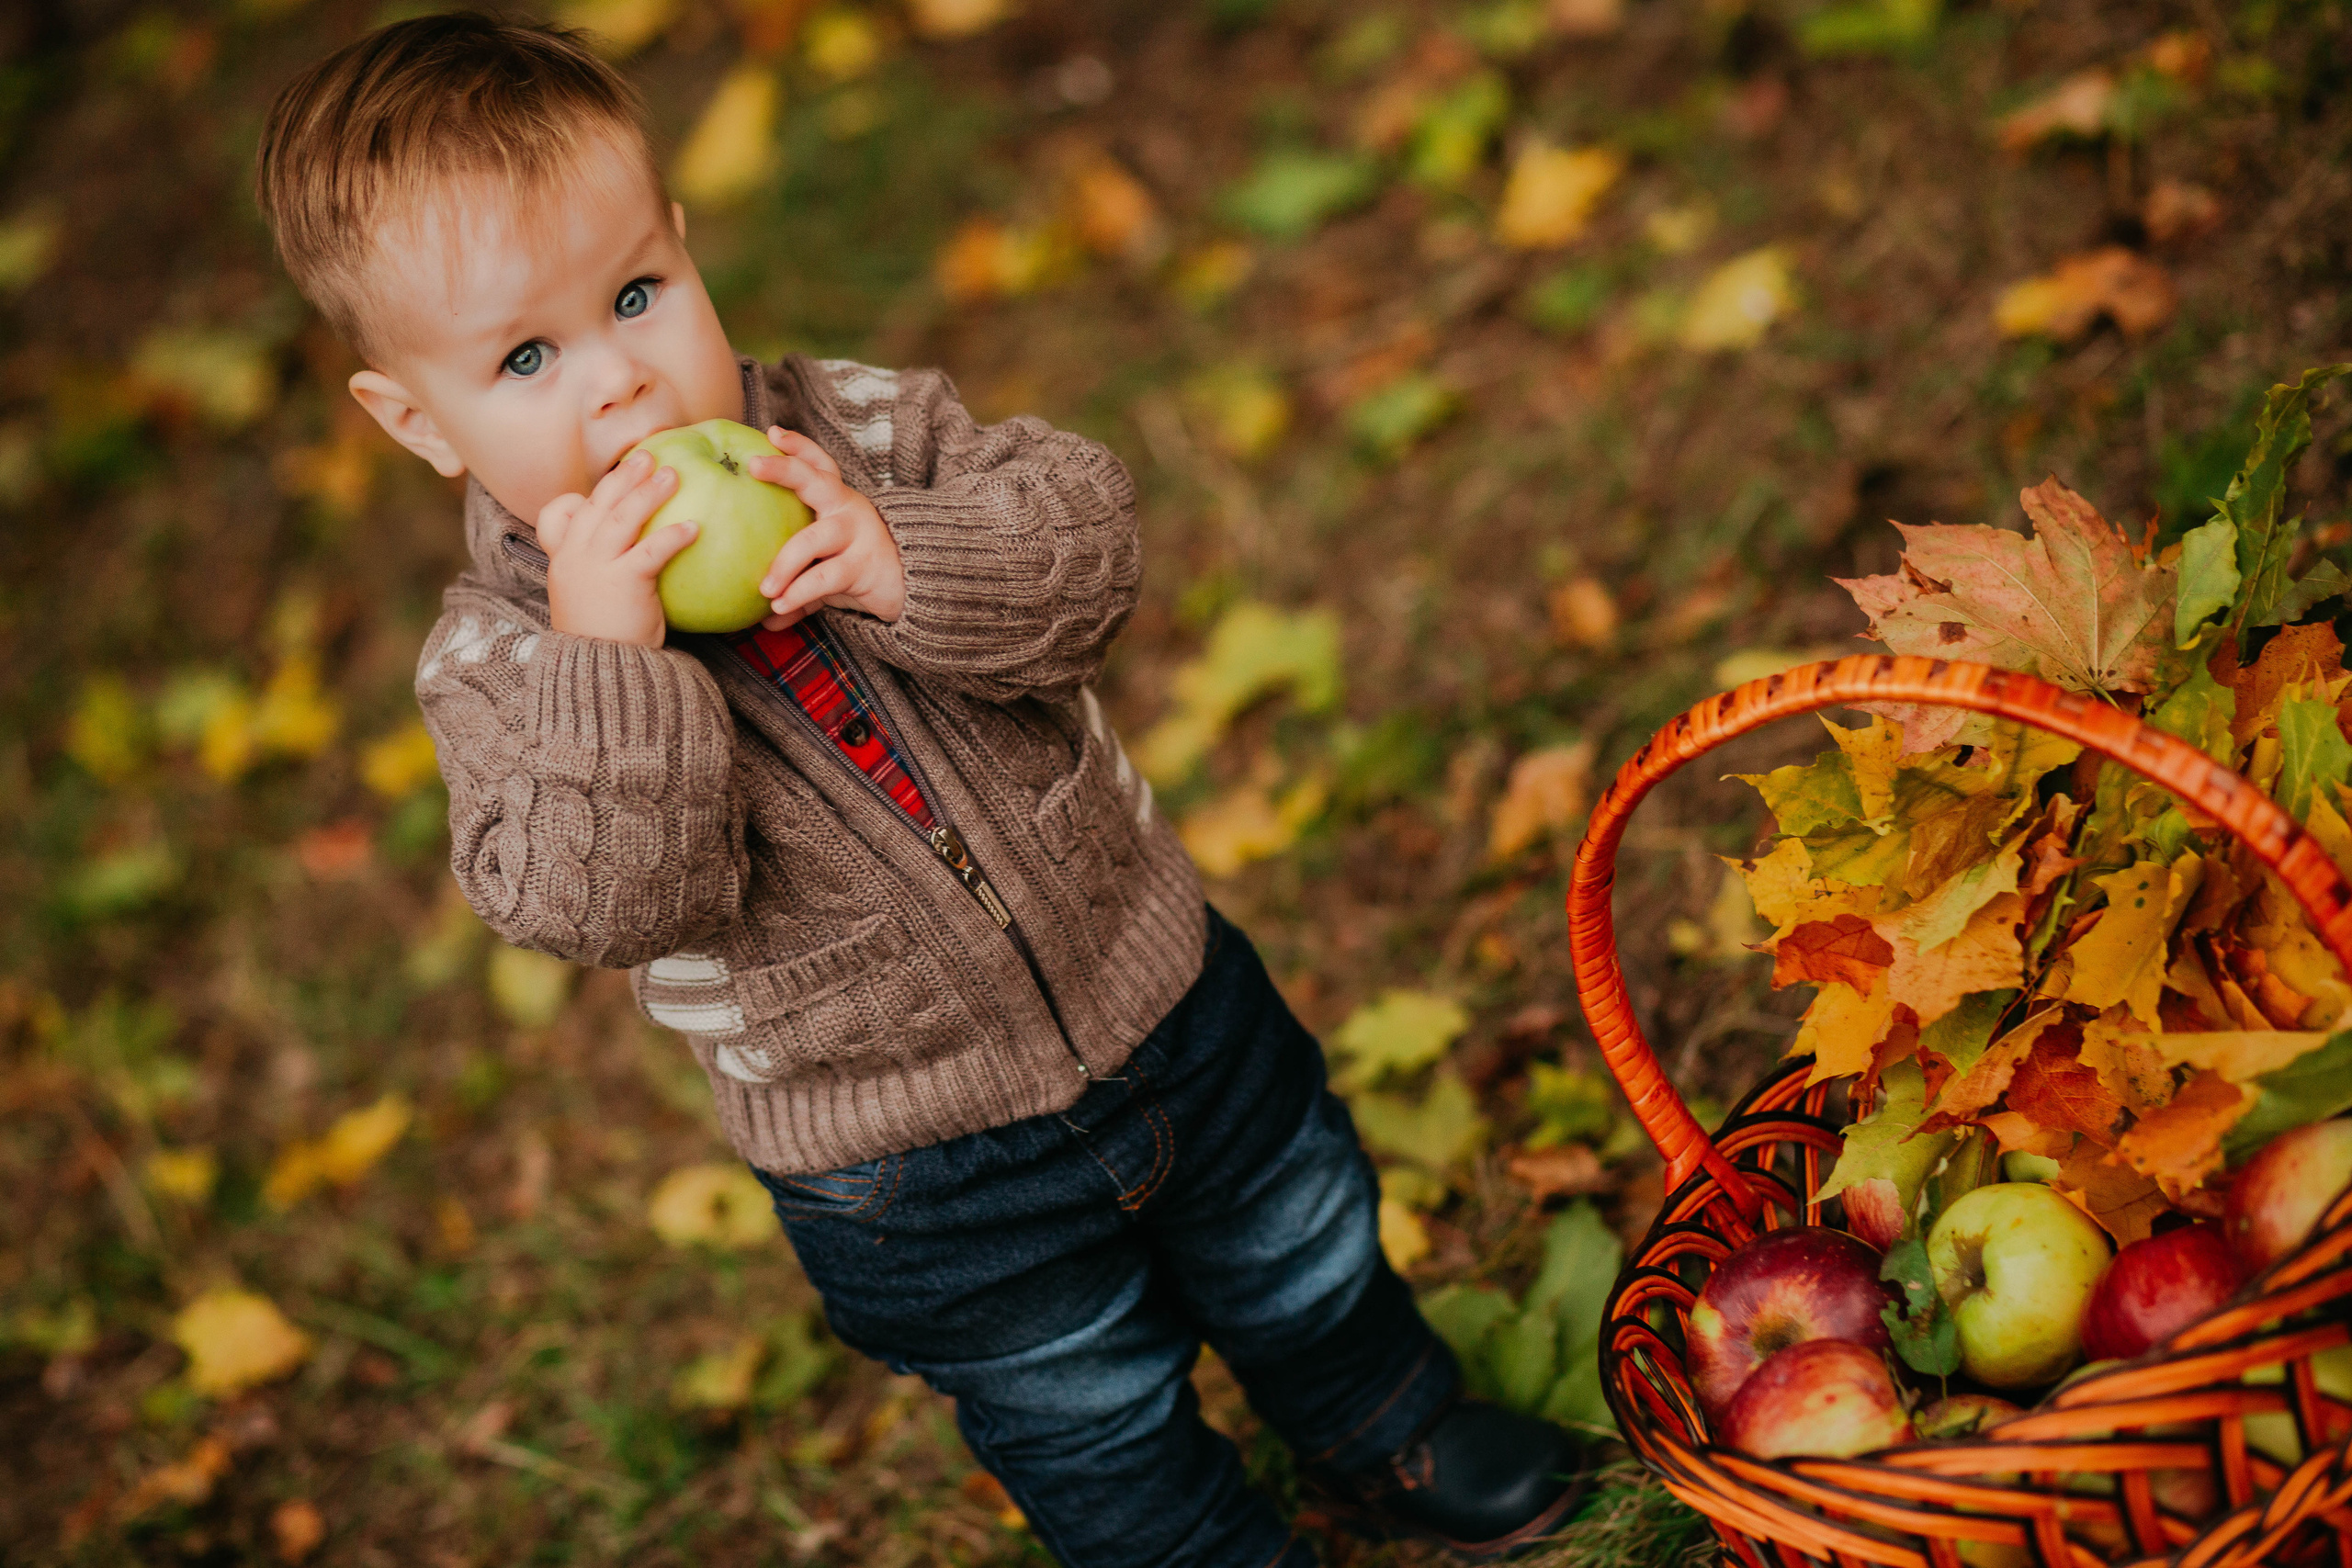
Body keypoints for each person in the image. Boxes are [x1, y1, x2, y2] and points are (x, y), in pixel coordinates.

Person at [252, 13, 1588, 1563]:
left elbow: (1089, 546)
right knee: (1085, 1414)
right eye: (529, 358)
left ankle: (1388, 1428)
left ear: (686, 249)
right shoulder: (500, 662)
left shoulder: (861, 431)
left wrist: (906, 556)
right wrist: (612, 660)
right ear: (416, 420)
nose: (621, 383)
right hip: (908, 1166)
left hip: (1156, 990)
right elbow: (602, 904)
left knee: (1301, 1234)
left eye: (637, 294)